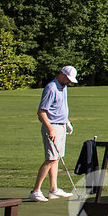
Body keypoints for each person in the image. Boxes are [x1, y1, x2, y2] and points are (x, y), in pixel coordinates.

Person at [30, 66, 78, 202]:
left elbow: (60, 108)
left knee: (57, 158)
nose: (69, 82)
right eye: (68, 79)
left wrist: (67, 122)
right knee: (51, 158)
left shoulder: (63, 87)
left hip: (61, 125)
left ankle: (53, 189)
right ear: (62, 75)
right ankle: (36, 191)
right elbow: (41, 112)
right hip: (52, 126)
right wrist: (50, 129)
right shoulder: (51, 88)